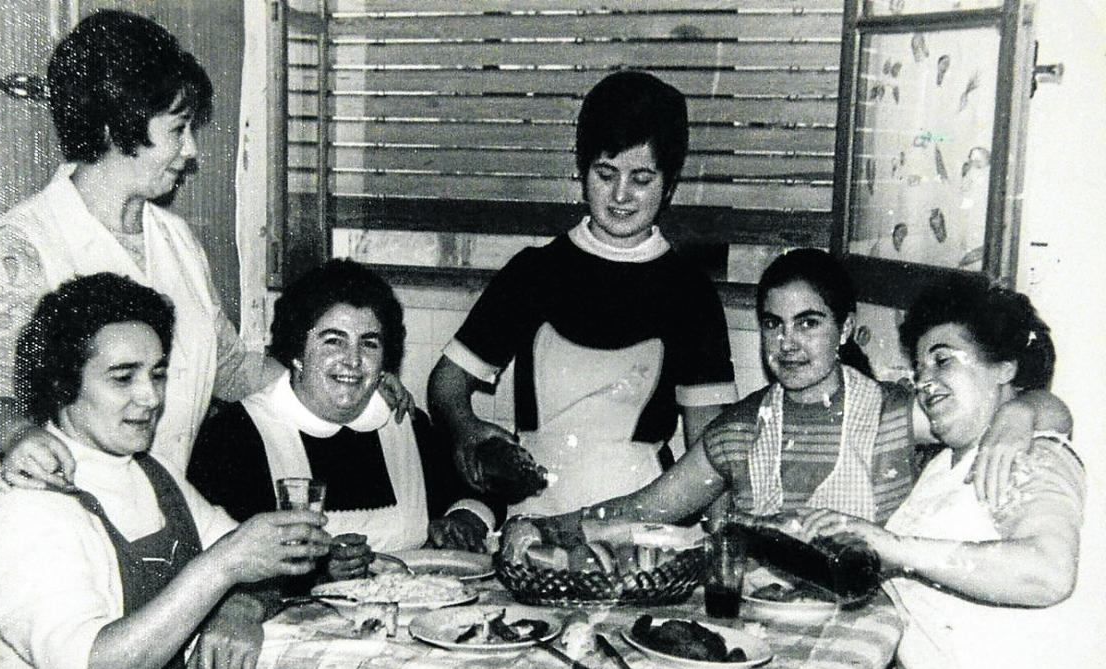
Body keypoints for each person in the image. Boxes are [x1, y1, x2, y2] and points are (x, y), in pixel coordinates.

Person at [0, 9, 409, 507]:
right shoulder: (28, 241)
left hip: (153, 511)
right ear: (116, 127)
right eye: (177, 129)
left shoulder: (175, 240)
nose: (191, 150)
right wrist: (19, 435)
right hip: (51, 513)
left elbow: (229, 366)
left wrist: (338, 379)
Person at [0, 273, 327, 669]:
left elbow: (256, 562)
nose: (150, 398)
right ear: (65, 382)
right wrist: (221, 569)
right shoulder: (30, 510)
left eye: (157, 375)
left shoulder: (148, 473)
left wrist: (239, 605)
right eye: (122, 377)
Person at [803, 276, 1092, 669]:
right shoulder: (946, 463)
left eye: (943, 360)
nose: (923, 380)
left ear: (1005, 368)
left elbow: (1048, 571)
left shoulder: (1031, 454)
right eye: (918, 368)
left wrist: (893, 548)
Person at [428, 70, 737, 516]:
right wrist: (465, 429)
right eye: (605, 173)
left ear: (669, 184)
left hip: (641, 521)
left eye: (642, 178)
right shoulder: (534, 271)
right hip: (536, 517)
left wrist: (718, 548)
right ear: (580, 169)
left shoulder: (690, 292)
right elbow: (446, 383)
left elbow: (709, 448)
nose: (620, 195)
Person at [587, 249, 1071, 529]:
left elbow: (1045, 411)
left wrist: (1019, 417)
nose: (787, 343)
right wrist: (543, 529)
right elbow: (640, 510)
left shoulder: (895, 412)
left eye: (808, 323)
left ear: (844, 330)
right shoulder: (737, 430)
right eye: (773, 324)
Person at [188, 261, 496, 564]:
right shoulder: (233, 437)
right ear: (297, 350)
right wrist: (318, 574)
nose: (353, 360)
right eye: (334, 341)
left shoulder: (404, 422)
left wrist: (465, 518)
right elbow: (220, 564)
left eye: (369, 344)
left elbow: (482, 489)